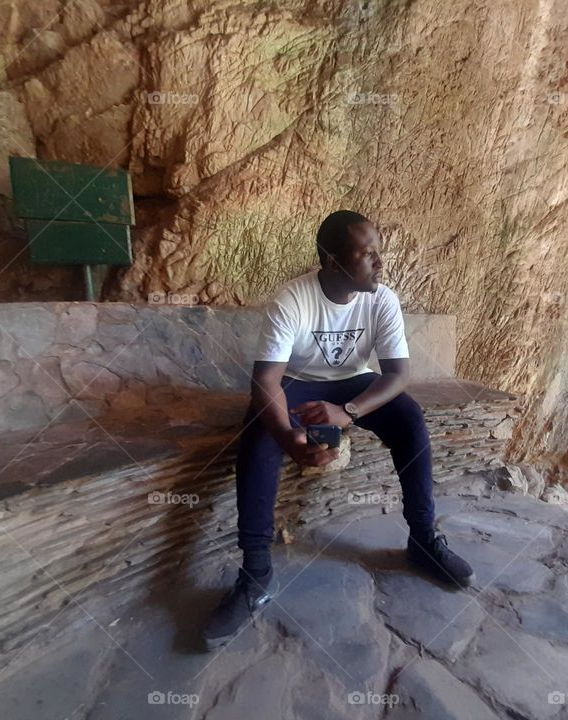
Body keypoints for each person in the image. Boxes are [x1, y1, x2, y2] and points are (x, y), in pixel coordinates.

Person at [203, 210, 474, 649]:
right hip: (297, 384)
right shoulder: (292, 299)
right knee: (258, 431)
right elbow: (266, 381)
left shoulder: (381, 299)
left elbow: (398, 374)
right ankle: (255, 575)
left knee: (408, 417)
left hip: (353, 384)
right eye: (367, 254)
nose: (379, 263)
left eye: (378, 252)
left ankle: (423, 540)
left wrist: (346, 411)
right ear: (331, 262)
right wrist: (287, 436)